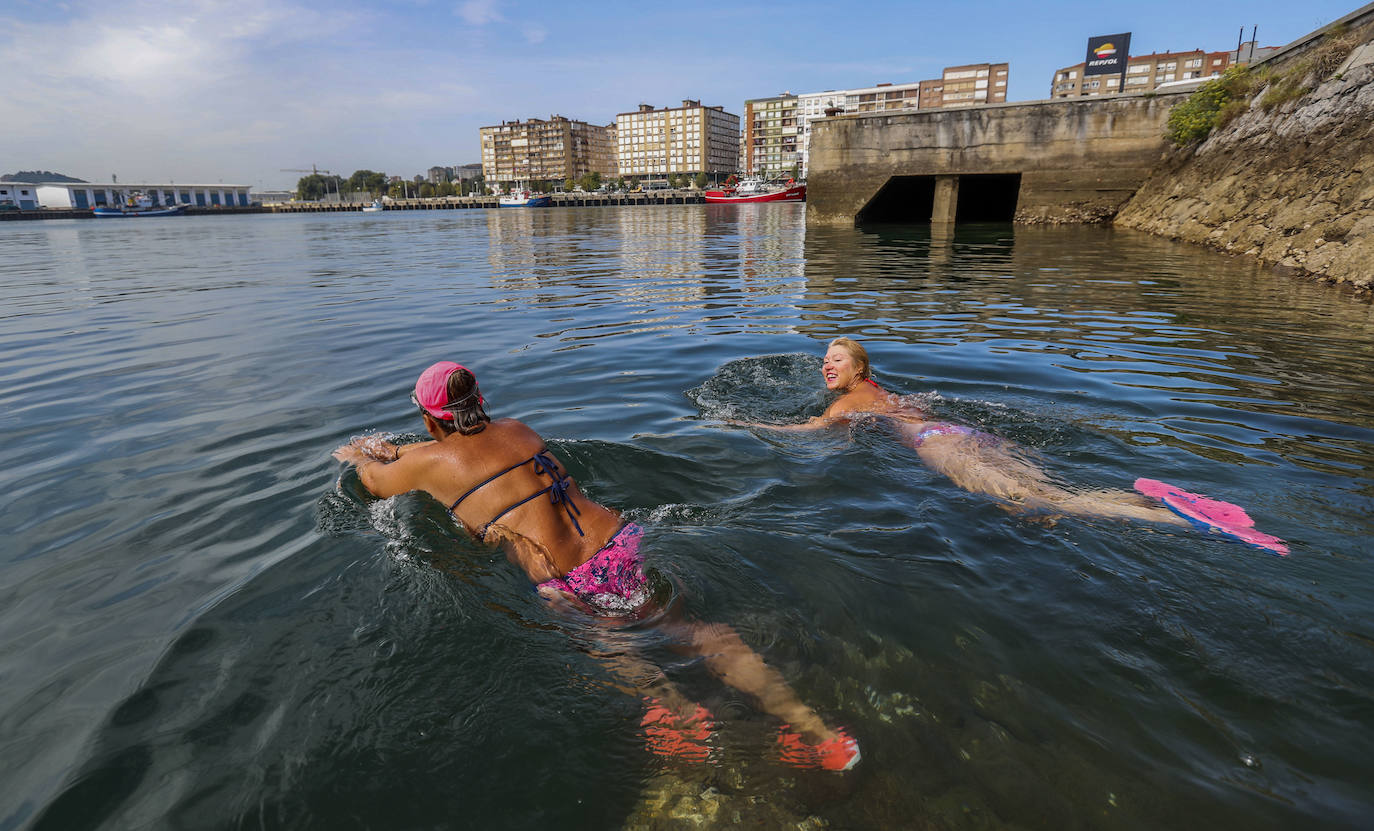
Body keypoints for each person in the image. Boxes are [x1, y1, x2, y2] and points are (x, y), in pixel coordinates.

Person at [332, 361, 861, 770]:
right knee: (689, 630)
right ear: (481, 402)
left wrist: (362, 451)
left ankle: (681, 717)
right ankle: (816, 730)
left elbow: (371, 480)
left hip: (570, 578)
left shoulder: (427, 462)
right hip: (620, 539)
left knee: (612, 641)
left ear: (429, 417)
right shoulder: (519, 430)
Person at [732, 337, 1287, 555]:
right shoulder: (882, 391)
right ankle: (1154, 501)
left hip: (943, 449)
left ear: (859, 370)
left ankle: (1179, 521)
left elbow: (811, 434)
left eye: (837, 360)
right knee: (1041, 491)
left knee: (1046, 501)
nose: (827, 366)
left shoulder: (847, 404)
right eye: (824, 360)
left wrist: (743, 426)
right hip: (969, 433)